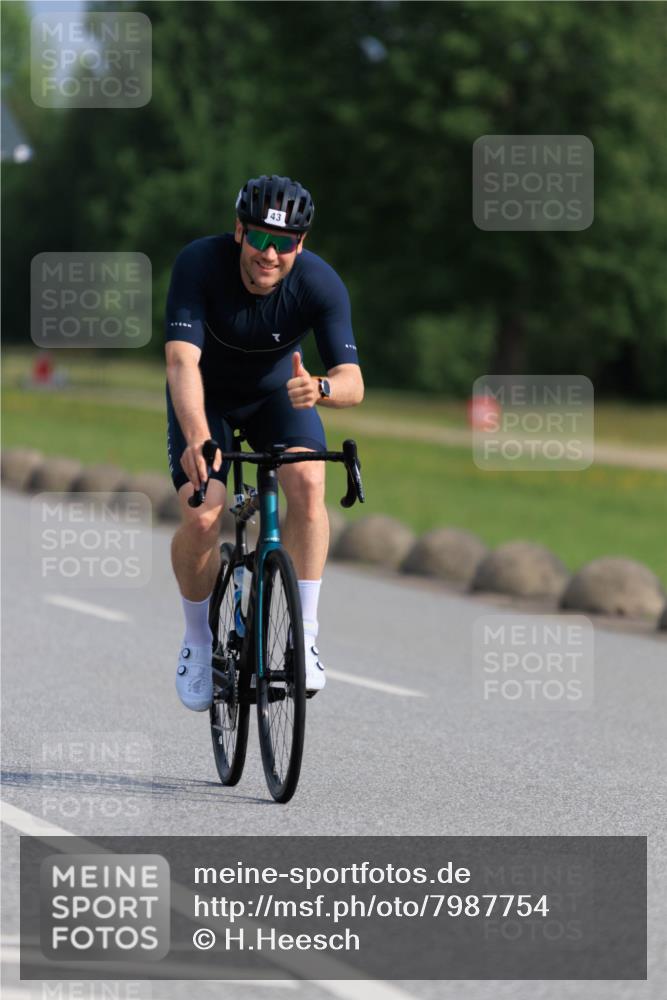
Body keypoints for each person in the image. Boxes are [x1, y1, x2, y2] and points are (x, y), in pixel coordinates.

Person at [165, 174, 364, 711]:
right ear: (239, 231)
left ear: (301, 244)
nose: (269, 254)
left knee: (308, 481)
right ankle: (197, 640)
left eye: (284, 242)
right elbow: (181, 362)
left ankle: (306, 635)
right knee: (203, 514)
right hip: (206, 398)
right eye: (259, 237)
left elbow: (353, 381)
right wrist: (198, 438)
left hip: (278, 398)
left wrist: (321, 388)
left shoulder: (320, 283)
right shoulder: (199, 264)